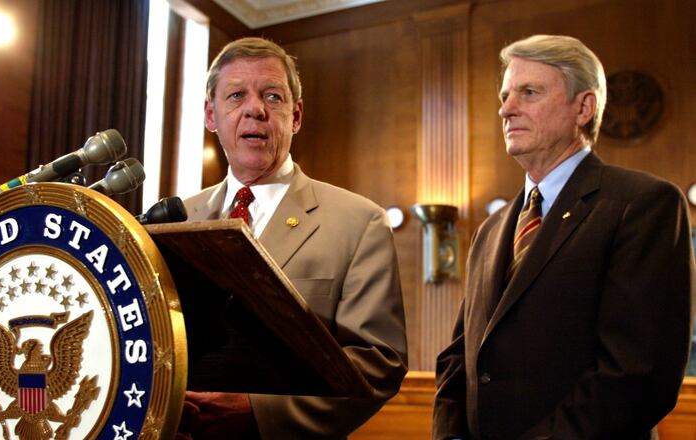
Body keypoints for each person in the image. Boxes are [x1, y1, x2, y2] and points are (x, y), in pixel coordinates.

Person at [433, 34, 695, 439]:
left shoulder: (643, 205)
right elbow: (459, 358)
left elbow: (636, 376)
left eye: (529, 92)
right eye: (504, 96)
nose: (505, 109)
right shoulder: (491, 229)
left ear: (584, 107)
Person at [179, 37, 408, 439]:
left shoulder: (359, 223)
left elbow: (378, 363)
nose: (255, 109)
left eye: (273, 96)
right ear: (210, 115)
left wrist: (259, 413)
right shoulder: (179, 219)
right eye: (236, 96)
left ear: (296, 115)